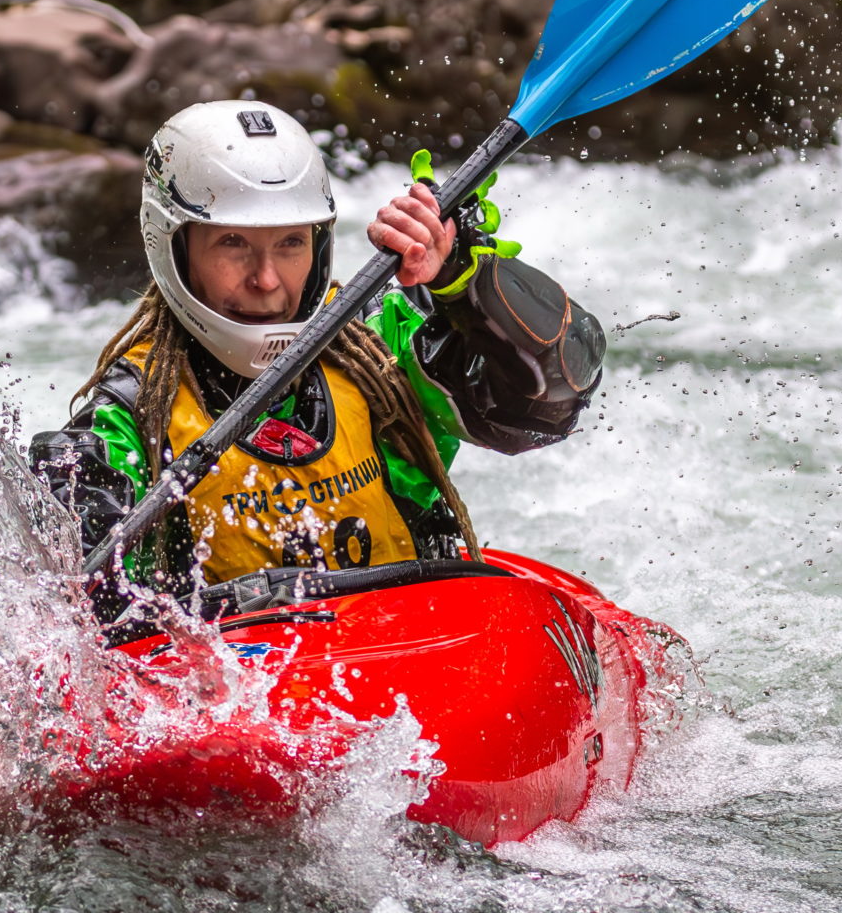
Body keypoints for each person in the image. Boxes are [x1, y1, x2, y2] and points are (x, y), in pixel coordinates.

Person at [31, 100, 608, 619]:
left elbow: (548, 406)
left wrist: (461, 278)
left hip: (415, 659)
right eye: (233, 244)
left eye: (291, 244)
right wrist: (70, 511)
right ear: (174, 247)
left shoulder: (377, 348)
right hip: (250, 703)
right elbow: (60, 627)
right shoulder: (128, 418)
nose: (267, 280)